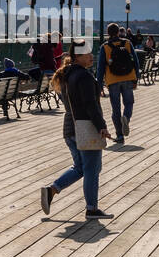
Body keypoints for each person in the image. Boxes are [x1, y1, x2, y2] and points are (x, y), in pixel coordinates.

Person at [39, 39, 114, 220]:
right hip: (85, 127)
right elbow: (90, 105)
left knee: (80, 167)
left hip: (69, 128)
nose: (91, 56)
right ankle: (91, 208)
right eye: (87, 54)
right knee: (91, 169)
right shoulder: (84, 76)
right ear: (78, 56)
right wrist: (102, 127)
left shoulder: (67, 74)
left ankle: (52, 190)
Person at [96, 23, 140, 143]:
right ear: (118, 32)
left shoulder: (105, 47)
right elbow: (135, 62)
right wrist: (136, 78)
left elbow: (100, 68)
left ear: (108, 33)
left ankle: (119, 136)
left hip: (112, 80)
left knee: (115, 109)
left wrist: (99, 86)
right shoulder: (127, 43)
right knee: (129, 103)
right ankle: (126, 117)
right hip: (128, 77)